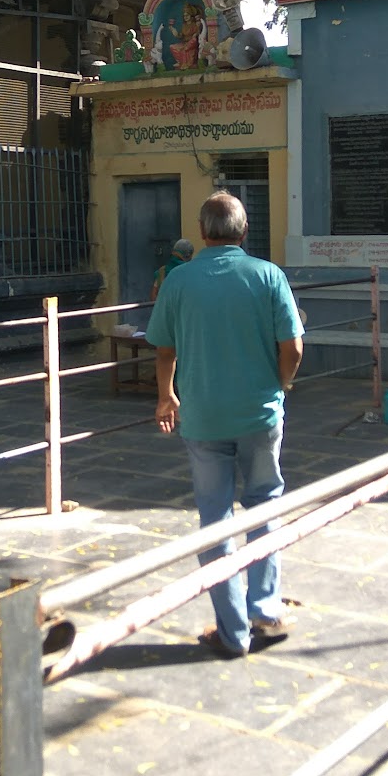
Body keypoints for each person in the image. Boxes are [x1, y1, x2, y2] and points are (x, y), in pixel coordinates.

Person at [147, 192, 304, 659]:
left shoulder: (179, 280)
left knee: (215, 520)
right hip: (259, 413)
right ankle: (265, 609)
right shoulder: (267, 275)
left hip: (204, 418)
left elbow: (163, 350)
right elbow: (292, 346)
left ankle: (233, 632)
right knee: (264, 506)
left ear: (202, 231)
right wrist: (282, 385)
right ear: (244, 229)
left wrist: (165, 396)